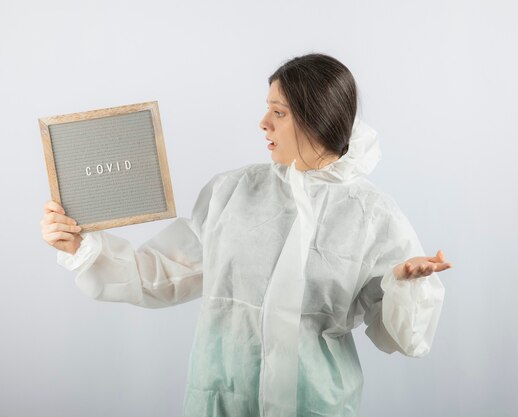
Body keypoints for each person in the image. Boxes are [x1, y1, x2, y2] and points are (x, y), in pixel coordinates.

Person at [40, 53, 453, 417]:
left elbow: (400, 336)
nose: (263, 123)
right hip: (223, 400)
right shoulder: (232, 193)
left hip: (316, 405)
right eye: (267, 109)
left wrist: (404, 286)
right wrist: (83, 249)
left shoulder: (373, 214)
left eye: (279, 112)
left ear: (317, 117)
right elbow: (163, 272)